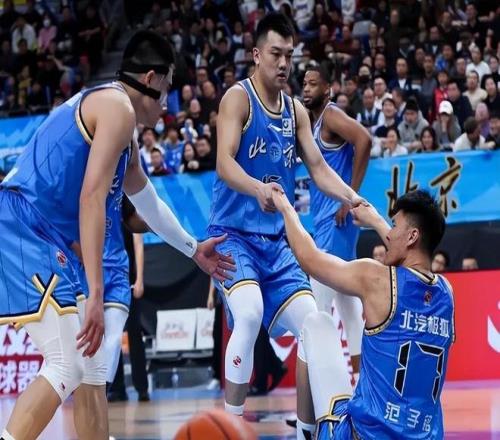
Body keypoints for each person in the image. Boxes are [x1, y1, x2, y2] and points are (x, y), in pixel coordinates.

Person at [0, 30, 233, 440]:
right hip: (24, 225)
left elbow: (149, 203)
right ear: (150, 79)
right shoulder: (118, 108)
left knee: (91, 368)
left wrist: (194, 249)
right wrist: (96, 293)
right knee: (67, 363)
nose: (168, 103)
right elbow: (91, 197)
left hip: (44, 233)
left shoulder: (123, 129)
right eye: (167, 89)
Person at [207, 13, 364, 440]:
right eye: (275, 54)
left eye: (289, 55)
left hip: (278, 243)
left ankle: (308, 432)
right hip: (233, 236)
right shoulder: (237, 99)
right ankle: (231, 426)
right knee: (249, 313)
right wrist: (257, 187)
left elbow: (318, 168)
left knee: (316, 323)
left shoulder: (295, 111)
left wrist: (351, 196)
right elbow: (223, 163)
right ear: (256, 55)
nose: (283, 63)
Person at [272, 188, 454, 440]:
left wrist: (285, 208)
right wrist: (376, 220)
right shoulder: (447, 294)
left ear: (412, 236)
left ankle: (305, 436)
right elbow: (411, 258)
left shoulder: (377, 278)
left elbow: (309, 259)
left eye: (394, 226)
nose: (389, 233)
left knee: (315, 322)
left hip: (364, 436)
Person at [302, 65, 371, 381]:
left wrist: (349, 197)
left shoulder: (330, 115)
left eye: (313, 84)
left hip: (336, 221)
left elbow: (364, 139)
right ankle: (360, 386)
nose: (306, 88)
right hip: (327, 222)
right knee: (348, 307)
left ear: (327, 89)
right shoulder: (313, 123)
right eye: (304, 83)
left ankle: (320, 389)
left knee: (317, 310)